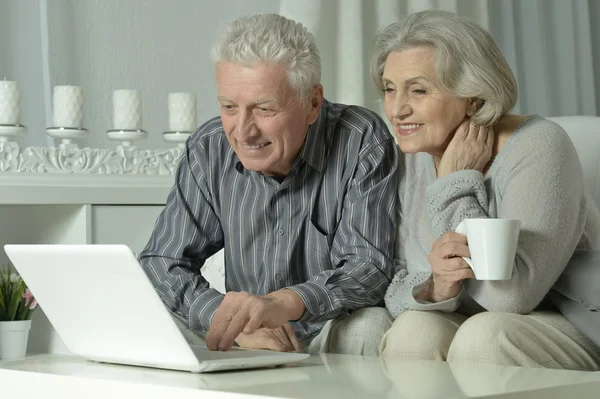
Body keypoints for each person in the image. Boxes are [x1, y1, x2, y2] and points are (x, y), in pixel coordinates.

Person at [139, 13, 398, 356]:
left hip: (327, 327)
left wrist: (285, 303)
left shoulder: (361, 139)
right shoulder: (208, 147)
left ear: (313, 103)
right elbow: (161, 259)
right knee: (141, 313)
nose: (243, 131)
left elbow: (368, 267)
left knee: (370, 327)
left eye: (264, 108)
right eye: (229, 107)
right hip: (248, 336)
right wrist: (231, 323)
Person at [372, 10, 600, 369]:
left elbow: (509, 296)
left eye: (418, 90)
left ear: (474, 97)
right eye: (389, 88)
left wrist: (455, 182)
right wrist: (435, 287)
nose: (397, 109)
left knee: (485, 337)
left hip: (572, 319)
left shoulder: (540, 145)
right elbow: (396, 286)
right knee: (413, 332)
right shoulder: (413, 154)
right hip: (471, 316)